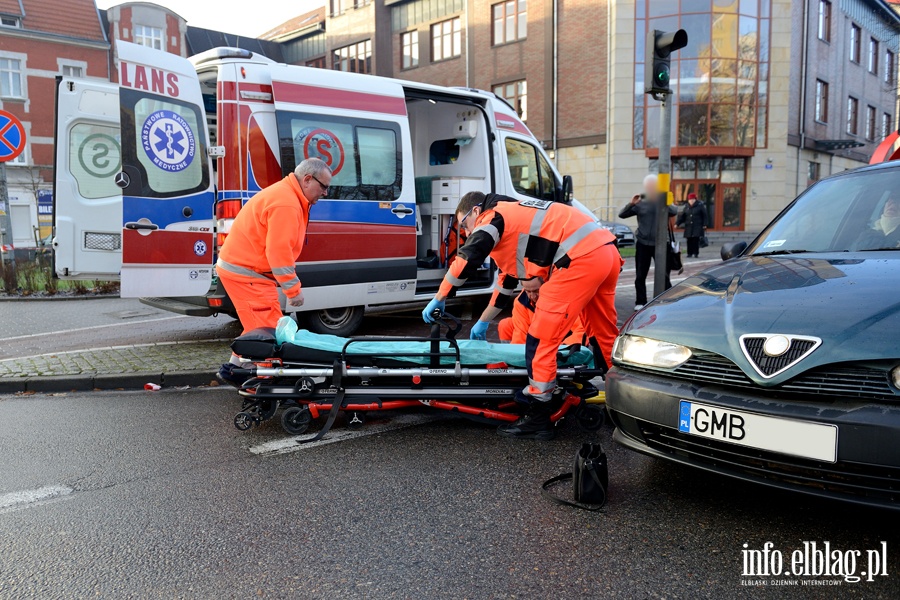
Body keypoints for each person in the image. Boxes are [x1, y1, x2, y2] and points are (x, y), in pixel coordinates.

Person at [422, 192, 622, 440]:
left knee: (539, 340)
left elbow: (468, 257)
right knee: (602, 334)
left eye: (464, 225)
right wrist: (484, 321)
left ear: (475, 211)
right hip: (605, 252)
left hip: (578, 259)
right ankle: (622, 407)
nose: (465, 233)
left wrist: (439, 297)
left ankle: (538, 416)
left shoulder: (492, 217)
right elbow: (507, 282)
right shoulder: (517, 217)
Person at [216, 158, 332, 386]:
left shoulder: (288, 196)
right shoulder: (286, 203)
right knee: (269, 331)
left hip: (245, 271)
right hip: (248, 274)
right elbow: (278, 252)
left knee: (257, 327)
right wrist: (292, 289)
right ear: (307, 179)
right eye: (324, 186)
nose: (325, 193)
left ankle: (233, 370)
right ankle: (267, 383)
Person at [619, 174, 677, 311]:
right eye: (648, 187)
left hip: (661, 244)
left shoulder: (663, 201)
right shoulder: (641, 202)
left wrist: (666, 199)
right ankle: (641, 301)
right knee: (640, 275)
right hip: (643, 243)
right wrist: (631, 203)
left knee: (664, 274)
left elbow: (674, 211)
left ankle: (665, 299)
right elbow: (622, 214)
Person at [498, 287, 586, 346]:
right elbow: (520, 334)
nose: (532, 296)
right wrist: (518, 357)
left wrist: (563, 348)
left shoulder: (565, 298)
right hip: (538, 338)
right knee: (506, 324)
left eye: (536, 291)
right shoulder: (521, 301)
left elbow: (582, 330)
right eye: (528, 291)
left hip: (561, 340)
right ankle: (505, 365)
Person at [676, 192, 707, 258]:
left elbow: (704, 216)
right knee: (689, 240)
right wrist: (677, 223)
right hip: (688, 227)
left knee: (696, 240)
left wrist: (704, 224)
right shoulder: (686, 207)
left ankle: (696, 253)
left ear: (695, 199)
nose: (691, 201)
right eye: (690, 200)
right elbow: (682, 217)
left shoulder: (700, 206)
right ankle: (689, 253)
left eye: (692, 199)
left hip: (697, 226)